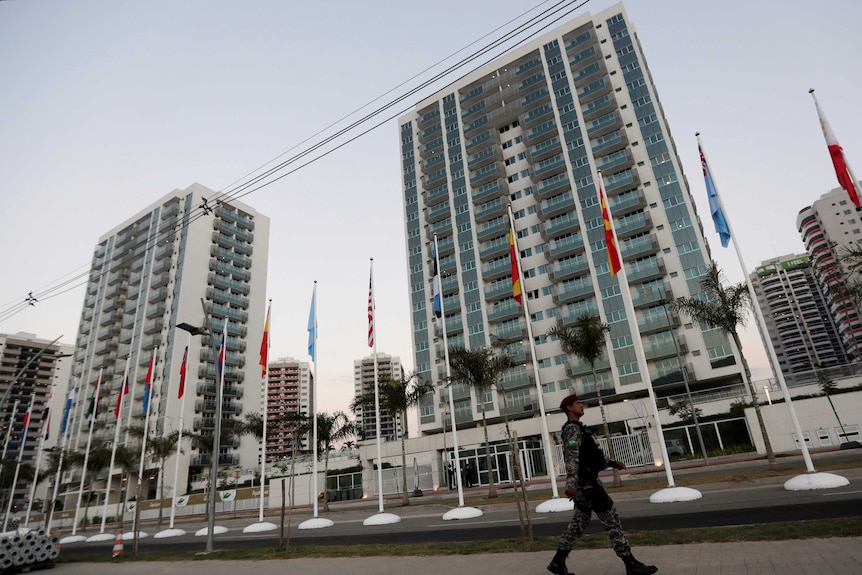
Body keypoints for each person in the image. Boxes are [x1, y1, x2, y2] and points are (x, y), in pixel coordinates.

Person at [547, 393, 657, 575]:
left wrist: (613, 463)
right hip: (588, 485)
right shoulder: (572, 429)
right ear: (569, 408)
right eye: (578, 403)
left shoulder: (579, 428)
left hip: (586, 483)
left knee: (578, 524)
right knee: (612, 520)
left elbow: (593, 455)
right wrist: (571, 485)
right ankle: (631, 564)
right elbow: (572, 458)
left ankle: (558, 561)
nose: (581, 405)